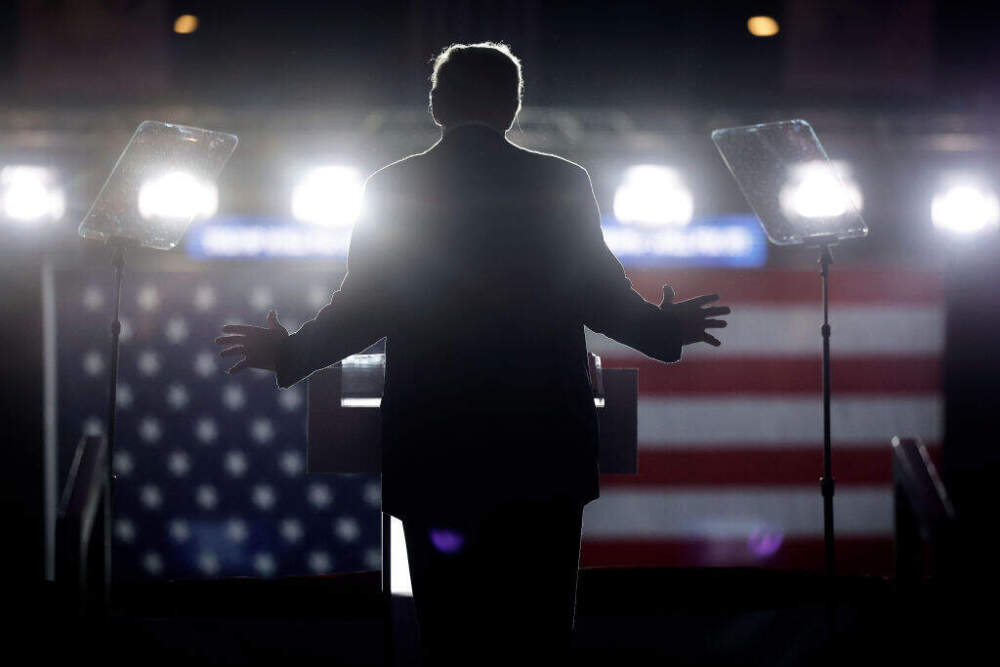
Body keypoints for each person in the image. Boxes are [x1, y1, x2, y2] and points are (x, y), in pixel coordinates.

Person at [216, 41, 729, 664]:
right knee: (538, 639)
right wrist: (665, 330)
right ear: (514, 106)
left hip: (437, 454)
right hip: (543, 451)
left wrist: (291, 353)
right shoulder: (561, 182)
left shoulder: (393, 186)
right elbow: (600, 298)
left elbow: (364, 309)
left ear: (436, 104)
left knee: (448, 638)